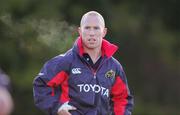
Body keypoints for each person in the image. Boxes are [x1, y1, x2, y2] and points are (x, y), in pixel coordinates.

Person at [33, 11, 134, 115]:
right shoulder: (66, 61)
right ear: (80, 31)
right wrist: (57, 107)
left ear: (104, 32)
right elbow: (41, 84)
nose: (91, 33)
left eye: (96, 28)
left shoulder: (114, 67)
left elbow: (122, 99)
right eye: (87, 28)